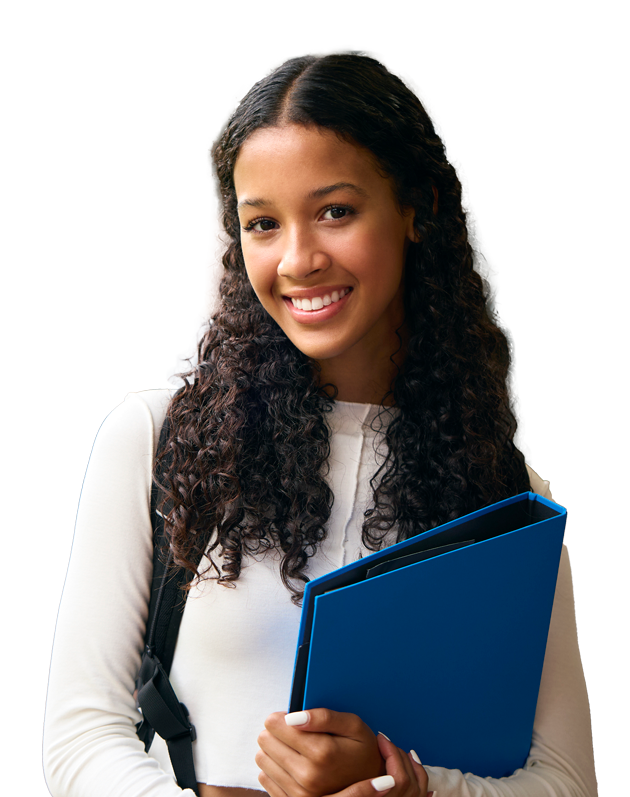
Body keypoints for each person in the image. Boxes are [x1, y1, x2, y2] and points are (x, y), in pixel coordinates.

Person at [43, 54, 596, 797]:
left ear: (416, 208)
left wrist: (413, 788)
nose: (298, 259)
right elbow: (79, 736)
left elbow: (563, 780)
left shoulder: (505, 493)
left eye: (335, 210)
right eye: (262, 223)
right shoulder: (153, 441)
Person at [69, 171, 177, 415]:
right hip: (177, 378)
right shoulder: (190, 254)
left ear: (133, 203)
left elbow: (95, 332)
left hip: (119, 382)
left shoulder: (113, 258)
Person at [109, 184, 223, 408]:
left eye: (223, 248)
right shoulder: (146, 336)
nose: (212, 263)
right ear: (171, 250)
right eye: (200, 248)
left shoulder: (268, 328)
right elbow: (129, 432)